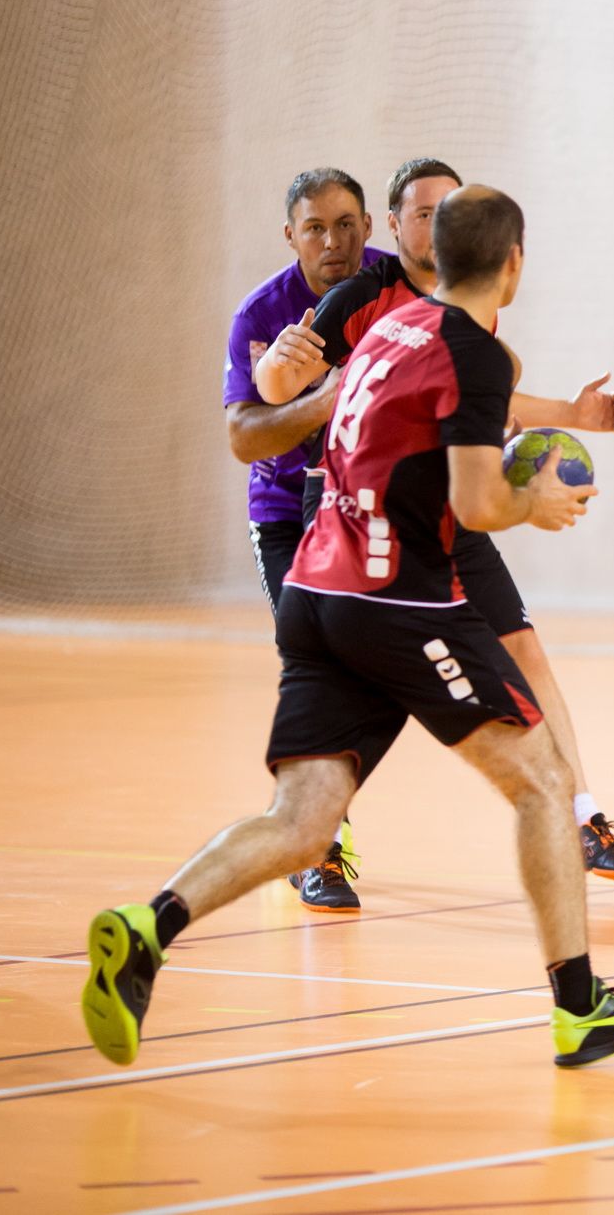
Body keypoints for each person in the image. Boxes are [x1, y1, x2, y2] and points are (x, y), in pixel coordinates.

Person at [83, 187, 614, 1068]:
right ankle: (580, 1009)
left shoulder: (389, 326)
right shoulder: (474, 350)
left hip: (314, 589)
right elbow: (476, 503)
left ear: (437, 254)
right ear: (514, 263)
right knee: (543, 782)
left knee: (303, 821)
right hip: (397, 599)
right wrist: (535, 501)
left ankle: (149, 927)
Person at [256, 159, 614, 889]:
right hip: (357, 510)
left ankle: (581, 818)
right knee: (342, 685)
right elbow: (280, 386)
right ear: (396, 225)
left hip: (440, 502)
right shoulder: (364, 298)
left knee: (523, 647)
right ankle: (315, 846)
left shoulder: (472, 308)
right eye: (424, 213)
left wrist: (571, 414)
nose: (438, 224)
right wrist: (275, 367)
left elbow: (480, 397)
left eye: (450, 211)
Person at [223, 167, 389, 910]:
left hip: (375, 508)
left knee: (378, 673)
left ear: (370, 227)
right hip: (289, 513)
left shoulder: (400, 289)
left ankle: (300, 816)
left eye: (346, 224)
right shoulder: (262, 315)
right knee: (318, 665)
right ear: (290, 236)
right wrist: (322, 401)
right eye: (315, 228)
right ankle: (315, 846)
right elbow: (243, 438)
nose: (333, 241)